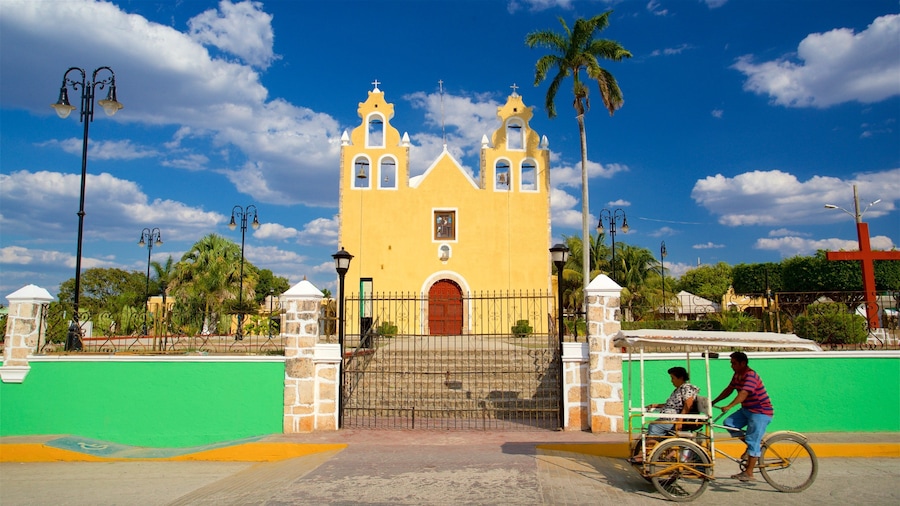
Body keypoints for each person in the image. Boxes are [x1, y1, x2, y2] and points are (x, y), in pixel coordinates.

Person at [712, 351, 773, 482]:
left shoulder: (750, 376)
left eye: (733, 363)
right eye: (731, 363)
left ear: (743, 363)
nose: (731, 366)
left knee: (752, 442)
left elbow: (744, 393)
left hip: (760, 412)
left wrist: (729, 406)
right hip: (747, 410)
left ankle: (749, 473)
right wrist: (714, 401)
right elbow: (729, 389)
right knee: (729, 423)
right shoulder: (737, 375)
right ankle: (753, 444)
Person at [629, 366, 699, 463]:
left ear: (681, 378)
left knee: (654, 426)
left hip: (676, 419)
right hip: (670, 418)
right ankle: (657, 452)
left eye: (673, 378)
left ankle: (647, 454)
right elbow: (672, 404)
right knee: (654, 425)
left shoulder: (687, 388)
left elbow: (688, 403)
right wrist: (656, 405)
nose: (671, 381)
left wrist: (680, 420)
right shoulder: (678, 389)